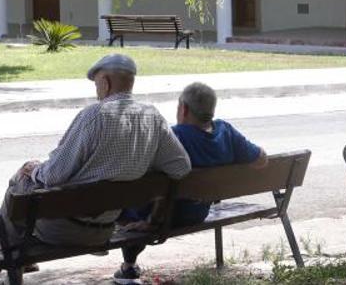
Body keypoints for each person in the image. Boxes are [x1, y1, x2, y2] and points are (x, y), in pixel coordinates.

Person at [3, 53, 191, 248]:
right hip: (105, 229)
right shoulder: (152, 116)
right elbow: (181, 167)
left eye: (96, 85)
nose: (97, 92)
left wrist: (33, 169)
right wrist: (138, 162)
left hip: (62, 230)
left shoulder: (95, 115)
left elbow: (52, 175)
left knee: (20, 178)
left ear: (105, 82)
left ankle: (15, 257)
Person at [114, 82, 266, 284]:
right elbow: (261, 159)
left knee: (125, 202)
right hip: (198, 213)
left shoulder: (174, 136)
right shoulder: (226, 132)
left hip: (163, 216)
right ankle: (129, 265)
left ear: (183, 109)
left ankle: (129, 267)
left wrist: (152, 221)